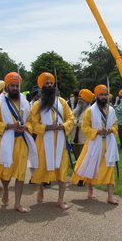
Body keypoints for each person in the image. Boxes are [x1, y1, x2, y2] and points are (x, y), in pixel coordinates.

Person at [0, 72, 38, 213]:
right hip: (6, 141)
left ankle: (17, 203)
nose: (15, 88)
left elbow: (31, 121)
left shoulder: (24, 101)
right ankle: (5, 189)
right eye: (12, 85)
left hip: (22, 141)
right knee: (6, 173)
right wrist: (8, 126)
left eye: (17, 86)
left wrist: (26, 127)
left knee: (21, 174)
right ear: (7, 86)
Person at [30, 72, 74, 209]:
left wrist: (63, 126)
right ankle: (40, 190)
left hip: (60, 141)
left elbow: (70, 118)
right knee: (42, 169)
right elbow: (32, 124)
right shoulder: (37, 105)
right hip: (43, 142)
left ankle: (60, 200)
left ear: (54, 85)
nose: (49, 85)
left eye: (51, 83)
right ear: (41, 87)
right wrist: (46, 127)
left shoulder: (62, 102)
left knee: (62, 170)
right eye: (46, 84)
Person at [71, 84, 119, 204]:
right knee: (91, 166)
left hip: (109, 142)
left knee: (110, 168)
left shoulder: (111, 110)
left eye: (105, 94)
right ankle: (90, 191)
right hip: (94, 142)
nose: (103, 97)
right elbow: (85, 127)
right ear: (96, 95)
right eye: (101, 95)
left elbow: (115, 125)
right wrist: (97, 131)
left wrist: (110, 130)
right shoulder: (90, 111)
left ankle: (110, 196)